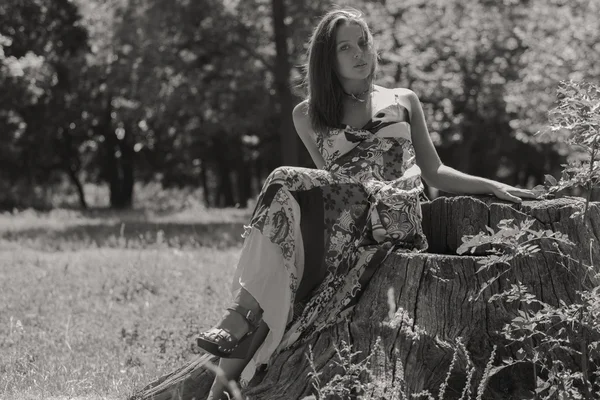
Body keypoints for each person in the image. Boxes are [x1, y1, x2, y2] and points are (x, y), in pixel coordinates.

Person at [195, 7, 536, 399]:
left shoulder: (402, 98)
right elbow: (329, 180)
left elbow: (435, 171)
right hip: (344, 218)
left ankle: (237, 314)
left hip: (394, 213)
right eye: (345, 47)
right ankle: (219, 390)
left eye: (363, 43)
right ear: (328, 57)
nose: (360, 53)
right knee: (276, 278)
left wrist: (491, 185)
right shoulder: (307, 113)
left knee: (282, 178)